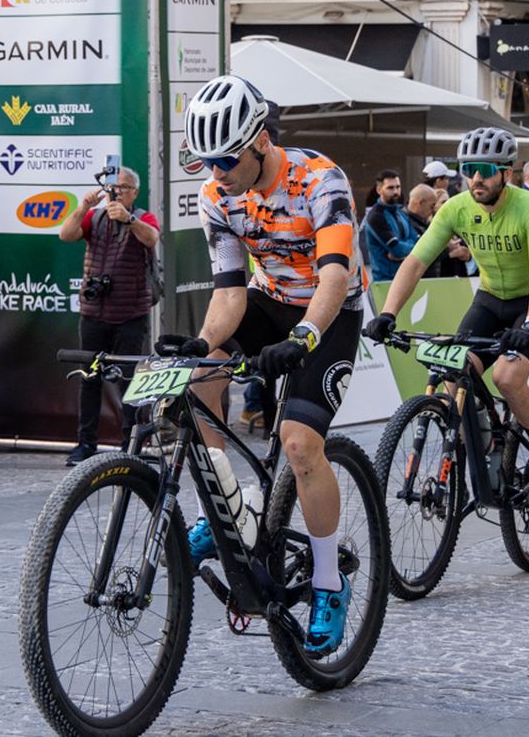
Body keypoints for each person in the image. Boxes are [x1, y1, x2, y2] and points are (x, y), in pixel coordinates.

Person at [168, 74, 362, 656]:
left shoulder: (319, 180)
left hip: (330, 311)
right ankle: (230, 509)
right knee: (195, 381)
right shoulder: (217, 195)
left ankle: (329, 583)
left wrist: (305, 335)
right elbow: (229, 294)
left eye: (226, 158)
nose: (216, 171)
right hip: (267, 299)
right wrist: (204, 346)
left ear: (259, 141)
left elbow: (335, 274)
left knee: (301, 446)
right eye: (205, 161)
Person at [365, 125, 529, 506]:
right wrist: (388, 312)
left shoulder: (528, 206)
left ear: (506, 172)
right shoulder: (456, 208)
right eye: (468, 167)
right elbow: (415, 261)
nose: (475, 177)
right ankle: (487, 442)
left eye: (485, 169)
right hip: (489, 299)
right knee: (457, 375)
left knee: (507, 377)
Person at [57, 164, 160, 466]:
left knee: (128, 380)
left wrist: (128, 220)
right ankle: (85, 443)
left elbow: (152, 238)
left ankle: (131, 443)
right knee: (89, 378)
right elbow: (65, 235)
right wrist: (83, 207)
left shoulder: (142, 217)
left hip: (130, 314)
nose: (115, 194)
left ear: (135, 193)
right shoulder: (95, 217)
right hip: (94, 314)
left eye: (122, 189)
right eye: (112, 189)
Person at [362, 169, 418, 281]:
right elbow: (397, 249)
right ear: (379, 190)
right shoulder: (376, 216)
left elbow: (417, 240)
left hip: (406, 278)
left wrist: (404, 255)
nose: (396, 192)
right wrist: (413, 250)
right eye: (390, 188)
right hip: (385, 281)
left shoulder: (401, 212)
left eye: (398, 187)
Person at [405, 183, 469, 278]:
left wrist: (466, 254)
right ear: (421, 202)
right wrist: (448, 252)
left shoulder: (453, 224)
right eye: (443, 202)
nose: (447, 205)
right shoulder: (408, 223)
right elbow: (416, 254)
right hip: (427, 280)